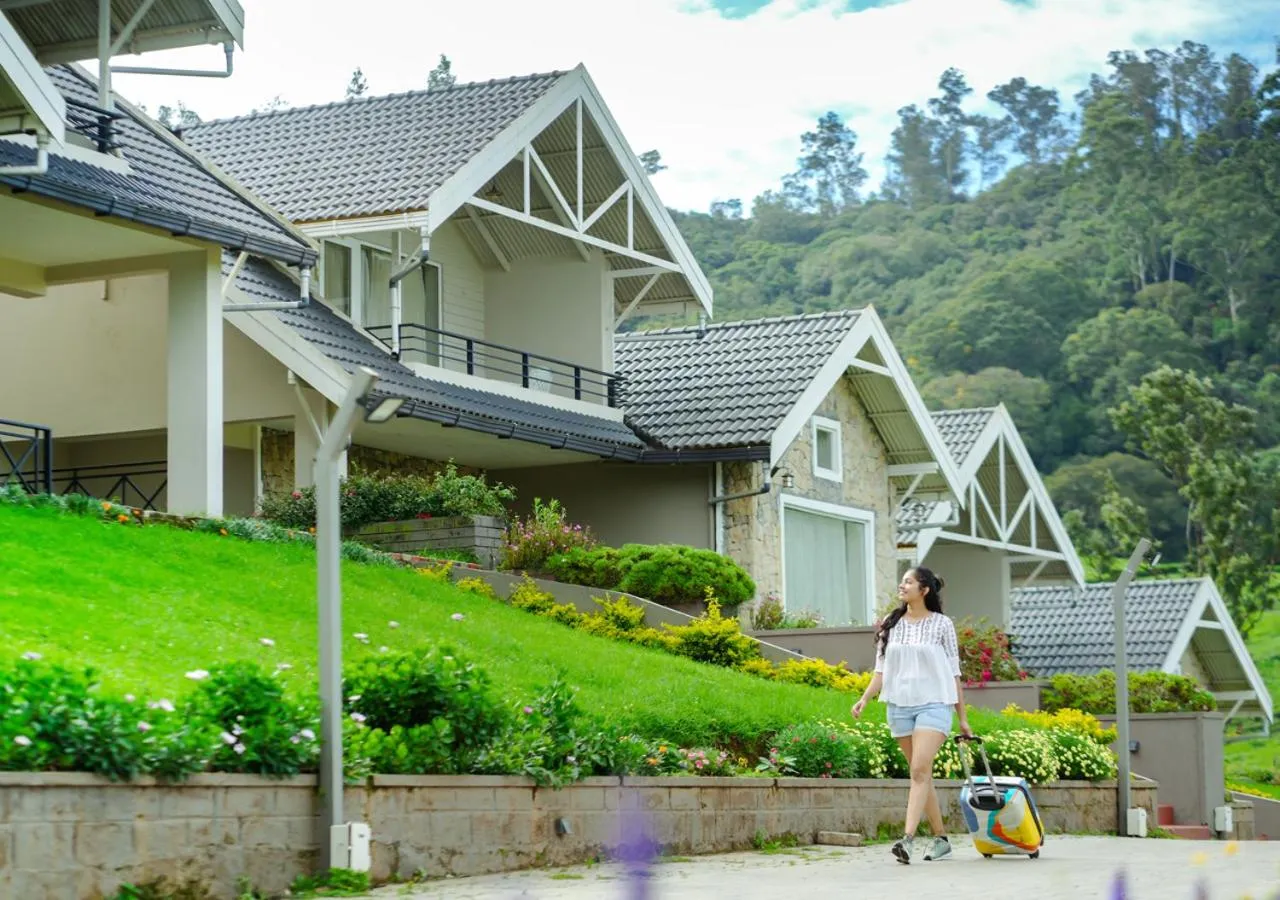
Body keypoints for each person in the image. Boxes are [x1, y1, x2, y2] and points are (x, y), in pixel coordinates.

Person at [851, 566, 972, 864]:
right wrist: (865, 699)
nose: (902, 586)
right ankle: (941, 838)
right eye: (902, 581)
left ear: (924, 590)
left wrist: (963, 718)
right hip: (900, 707)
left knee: (919, 769)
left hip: (934, 704)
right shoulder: (891, 625)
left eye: (908, 581)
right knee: (921, 774)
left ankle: (907, 840)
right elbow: (880, 670)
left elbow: (954, 672)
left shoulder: (942, 625)